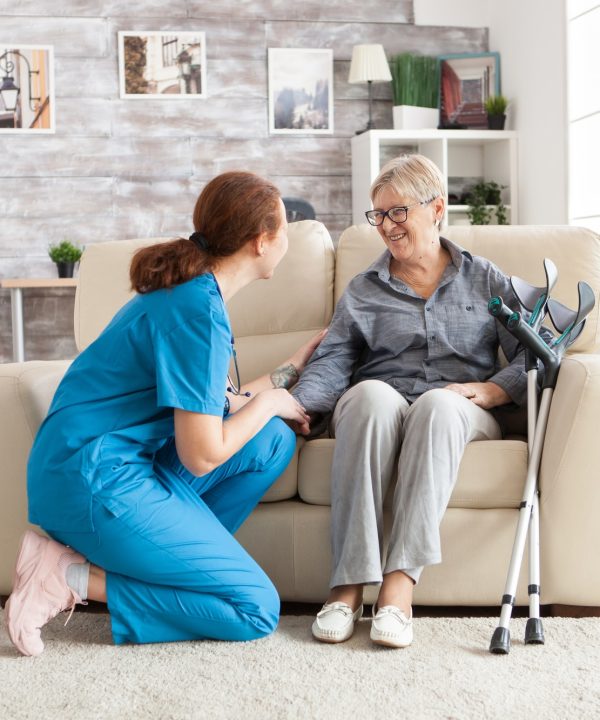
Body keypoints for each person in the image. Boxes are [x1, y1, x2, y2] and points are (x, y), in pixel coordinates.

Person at [5, 171, 324, 657]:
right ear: (262, 242)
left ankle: (169, 563)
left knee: (272, 441)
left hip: (107, 465)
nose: (287, 238)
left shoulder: (194, 293)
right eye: (285, 228)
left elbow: (221, 400)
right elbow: (201, 455)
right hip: (91, 480)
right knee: (255, 608)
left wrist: (291, 371)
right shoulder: (197, 312)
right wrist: (269, 404)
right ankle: (67, 576)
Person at [292, 154, 533, 649]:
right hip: (384, 401)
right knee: (367, 398)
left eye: (397, 212)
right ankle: (347, 587)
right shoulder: (363, 289)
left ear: (436, 207)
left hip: (460, 409)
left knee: (438, 405)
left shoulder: (484, 278)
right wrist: (301, 408)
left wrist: (492, 390)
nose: (386, 226)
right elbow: (334, 361)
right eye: (378, 216)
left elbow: (538, 347)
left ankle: (398, 588)